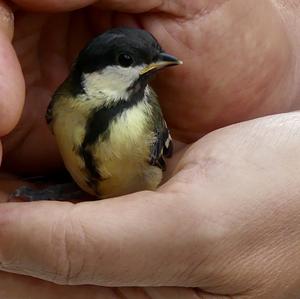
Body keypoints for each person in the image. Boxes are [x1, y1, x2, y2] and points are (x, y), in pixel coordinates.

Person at [0, 1, 300, 298]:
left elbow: (163, 169)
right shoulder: (62, 106)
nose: (150, 66)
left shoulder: (146, 119)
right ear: (92, 71)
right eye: (128, 60)